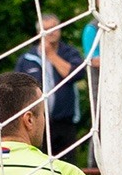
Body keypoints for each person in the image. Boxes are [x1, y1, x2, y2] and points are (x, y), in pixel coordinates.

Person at [13, 15, 87, 161]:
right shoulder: (27, 58)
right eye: (46, 29)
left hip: (65, 121)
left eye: (54, 28)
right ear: (38, 32)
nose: (51, 32)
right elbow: (18, 88)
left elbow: (77, 74)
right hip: (36, 121)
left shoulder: (69, 53)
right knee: (39, 162)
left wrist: (52, 56)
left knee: (68, 165)